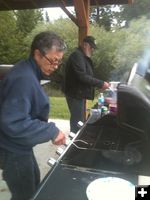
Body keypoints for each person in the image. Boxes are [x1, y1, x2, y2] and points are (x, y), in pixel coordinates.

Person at [0, 31, 66, 200]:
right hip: (12, 149)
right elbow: (14, 123)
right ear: (37, 54)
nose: (55, 66)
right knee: (26, 194)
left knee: (34, 185)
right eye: (53, 61)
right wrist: (51, 131)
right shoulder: (23, 78)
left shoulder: (29, 71)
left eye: (59, 62)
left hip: (20, 147)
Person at [64, 35, 110, 133]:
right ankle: (74, 143)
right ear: (85, 45)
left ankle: (76, 139)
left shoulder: (82, 56)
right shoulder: (77, 56)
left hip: (79, 93)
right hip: (75, 94)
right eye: (91, 47)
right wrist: (101, 84)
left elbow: (87, 76)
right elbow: (82, 77)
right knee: (77, 121)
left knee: (80, 120)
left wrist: (99, 85)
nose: (93, 50)